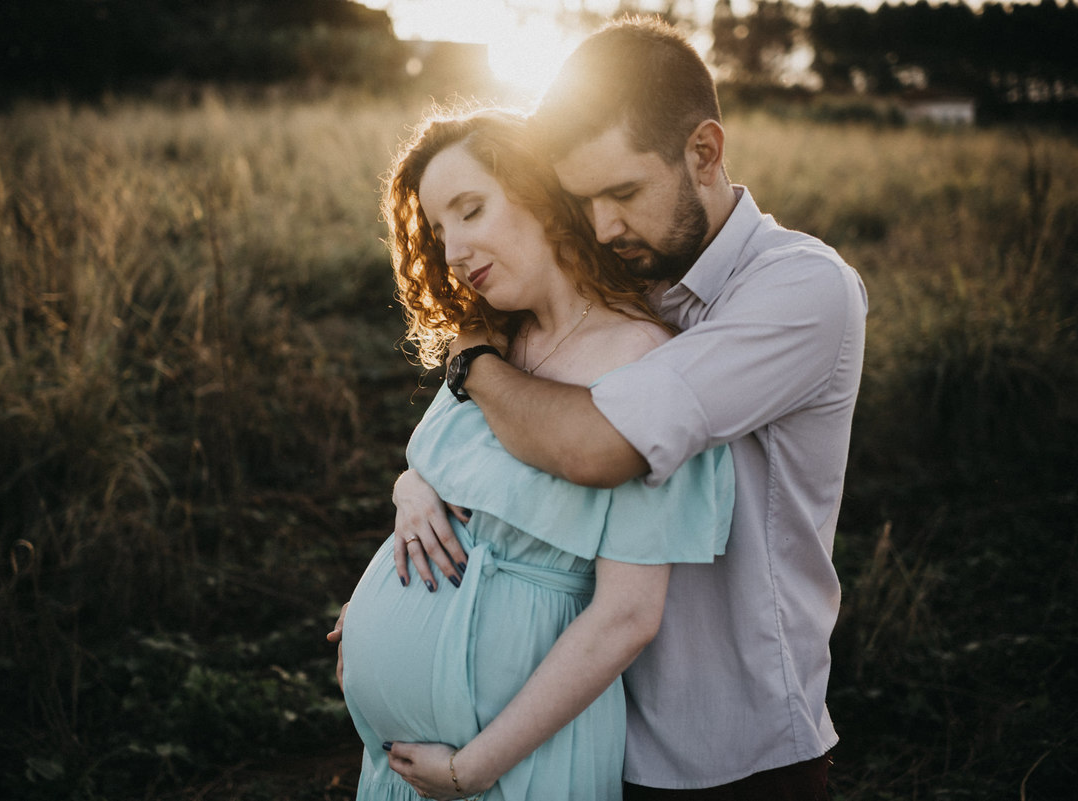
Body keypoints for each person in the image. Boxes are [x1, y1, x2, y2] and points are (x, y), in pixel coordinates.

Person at [379, 17, 868, 800]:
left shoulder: (801, 288)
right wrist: (415, 491)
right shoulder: (620, 276)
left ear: (704, 152)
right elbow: (486, 459)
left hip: (733, 749)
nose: (604, 226)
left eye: (624, 192)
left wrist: (471, 357)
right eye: (584, 199)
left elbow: (597, 445)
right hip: (592, 730)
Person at [337, 108, 734, 800]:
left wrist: (474, 767)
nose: (454, 249)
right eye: (438, 229)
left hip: (516, 768)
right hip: (398, 769)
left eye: (471, 209)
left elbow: (627, 616)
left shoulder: (645, 365)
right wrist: (412, 490)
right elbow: (438, 466)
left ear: (543, 197)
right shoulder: (489, 343)